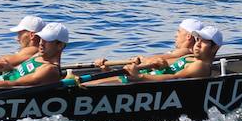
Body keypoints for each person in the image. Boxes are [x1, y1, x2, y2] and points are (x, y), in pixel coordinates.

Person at [91, 24, 222, 84]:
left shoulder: (201, 66)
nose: (197, 44)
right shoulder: (189, 58)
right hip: (138, 79)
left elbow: (174, 78)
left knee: (85, 86)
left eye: (204, 42)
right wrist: (110, 69)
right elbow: (161, 64)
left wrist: (140, 76)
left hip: (143, 84)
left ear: (215, 48)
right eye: (197, 40)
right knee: (90, 82)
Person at [0, 22, 69, 88]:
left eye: (47, 40)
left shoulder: (49, 69)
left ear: (60, 45)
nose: (42, 43)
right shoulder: (37, 56)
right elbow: (16, 72)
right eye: (41, 38)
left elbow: (15, 84)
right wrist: (7, 67)